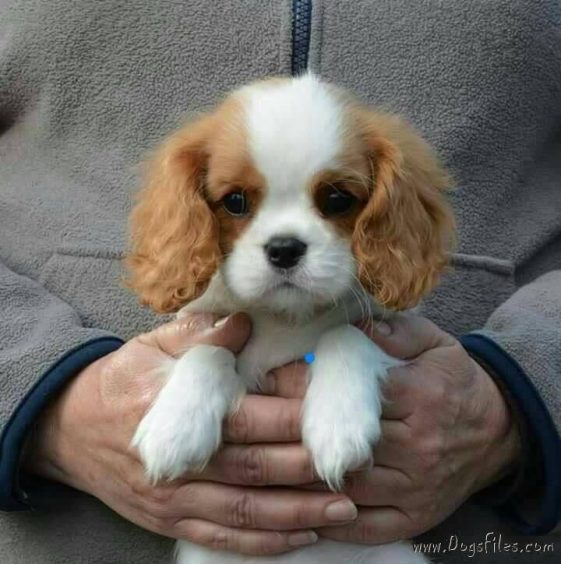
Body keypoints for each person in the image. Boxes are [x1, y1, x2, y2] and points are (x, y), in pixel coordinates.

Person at [0, 0, 560, 562]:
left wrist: (525, 396)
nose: (282, 240)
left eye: (337, 200)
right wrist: (39, 399)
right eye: (237, 202)